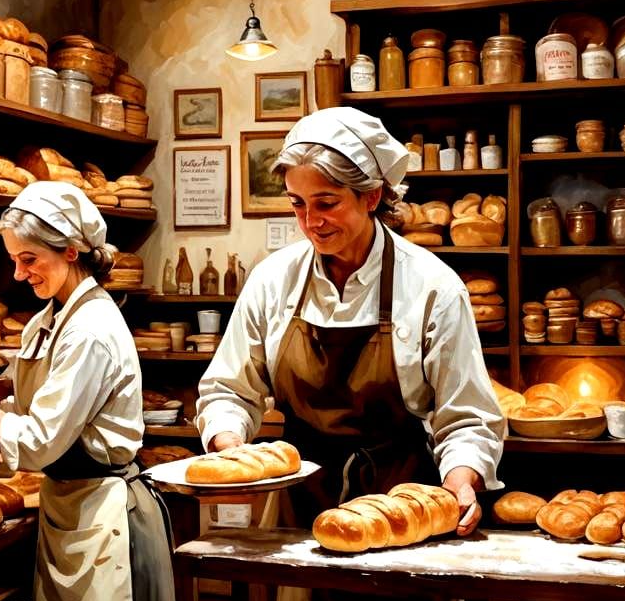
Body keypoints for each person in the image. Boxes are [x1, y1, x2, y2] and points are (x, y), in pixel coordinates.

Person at [197, 107, 505, 530]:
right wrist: (228, 445)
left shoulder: (432, 286)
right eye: (297, 204)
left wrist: (460, 478)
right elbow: (229, 390)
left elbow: (467, 415)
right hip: (296, 508)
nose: (311, 222)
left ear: (372, 195)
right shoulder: (273, 280)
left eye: (327, 203)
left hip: (403, 506)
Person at [0, 180, 177, 601]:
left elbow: (41, 441)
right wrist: (0, 439)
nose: (20, 274)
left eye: (30, 259)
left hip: (106, 514)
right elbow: (36, 411)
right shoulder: (50, 318)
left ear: (71, 252)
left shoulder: (89, 329)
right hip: (69, 504)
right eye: (14, 261)